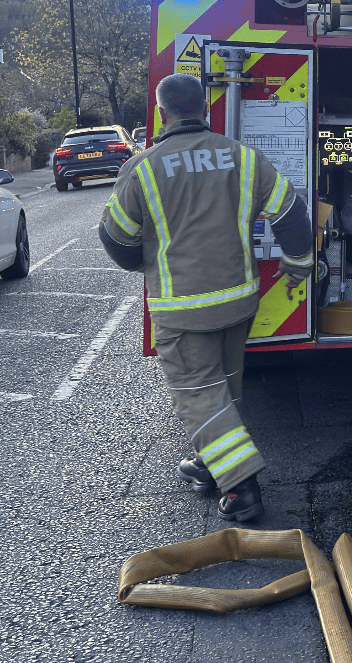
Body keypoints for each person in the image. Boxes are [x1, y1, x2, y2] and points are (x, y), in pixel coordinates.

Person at [99, 73, 314, 523]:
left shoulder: (142, 168)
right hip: (239, 300)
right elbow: (292, 214)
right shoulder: (245, 159)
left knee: (197, 394)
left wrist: (148, 262)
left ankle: (241, 488)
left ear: (162, 113)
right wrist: (299, 266)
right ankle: (210, 461)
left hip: (182, 310)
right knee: (224, 385)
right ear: (206, 109)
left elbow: (117, 242)